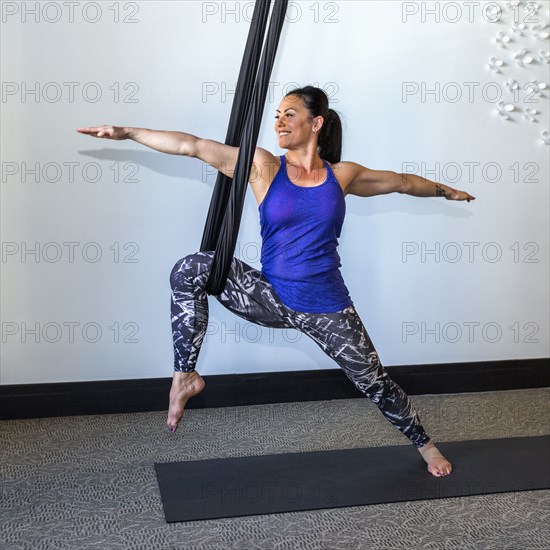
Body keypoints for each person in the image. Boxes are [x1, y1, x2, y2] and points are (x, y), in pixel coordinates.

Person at [77, 86, 475, 477]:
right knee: (190, 268)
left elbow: (403, 182)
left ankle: (426, 446)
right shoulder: (264, 166)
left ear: (315, 123)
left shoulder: (342, 176)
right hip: (269, 296)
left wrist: (447, 191)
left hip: (326, 306)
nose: (280, 122)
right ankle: (186, 374)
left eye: (289, 114)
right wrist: (127, 132)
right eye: (277, 116)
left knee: (376, 383)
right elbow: (192, 145)